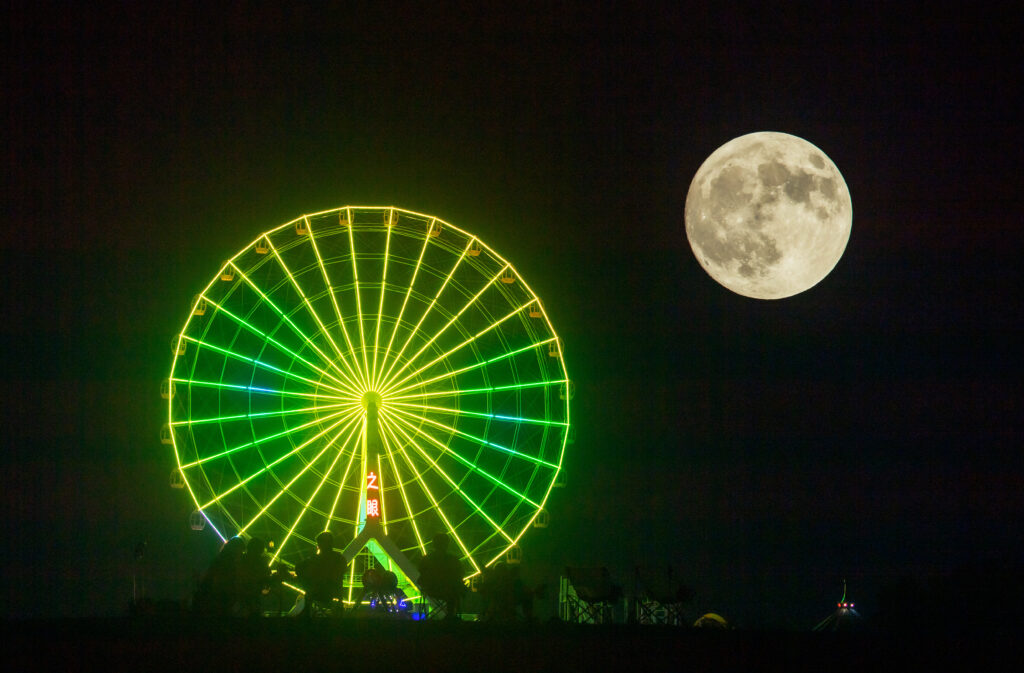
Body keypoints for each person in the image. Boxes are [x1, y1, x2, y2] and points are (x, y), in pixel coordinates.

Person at [295, 531, 346, 616]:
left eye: (318, 544)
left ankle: (306, 613)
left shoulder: (316, 559)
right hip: (335, 592)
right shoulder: (340, 558)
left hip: (319, 592)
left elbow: (299, 568)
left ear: (320, 545)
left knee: (308, 588)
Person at [193, 536, 246, 616]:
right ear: (236, 549)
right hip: (219, 599)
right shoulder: (227, 563)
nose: (241, 554)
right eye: (241, 551)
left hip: (215, 598)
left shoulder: (221, 559)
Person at [417, 533, 465, 620]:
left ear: (434, 544)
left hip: (430, 589)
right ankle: (451, 615)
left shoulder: (426, 559)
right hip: (449, 591)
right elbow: (460, 574)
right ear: (447, 544)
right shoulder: (453, 560)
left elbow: (421, 574)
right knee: (455, 592)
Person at [236, 537, 273, 617]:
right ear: (261, 550)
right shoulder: (261, 562)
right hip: (254, 594)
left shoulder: (241, 559)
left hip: (239, 594)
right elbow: (267, 575)